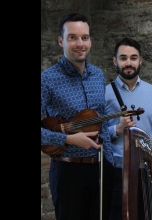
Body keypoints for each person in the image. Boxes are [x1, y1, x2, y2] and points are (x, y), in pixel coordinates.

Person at [41, 13, 114, 220]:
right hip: (68, 171)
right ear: (61, 41)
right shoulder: (47, 79)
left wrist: (109, 163)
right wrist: (68, 139)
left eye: (85, 37)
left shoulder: (98, 75)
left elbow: (103, 121)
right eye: (72, 37)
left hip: (101, 169)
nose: (80, 43)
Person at [105, 37, 152, 220]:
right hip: (117, 170)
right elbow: (96, 133)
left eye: (133, 58)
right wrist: (117, 129)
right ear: (114, 61)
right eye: (123, 57)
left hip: (148, 170)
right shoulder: (105, 93)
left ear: (140, 60)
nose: (128, 63)